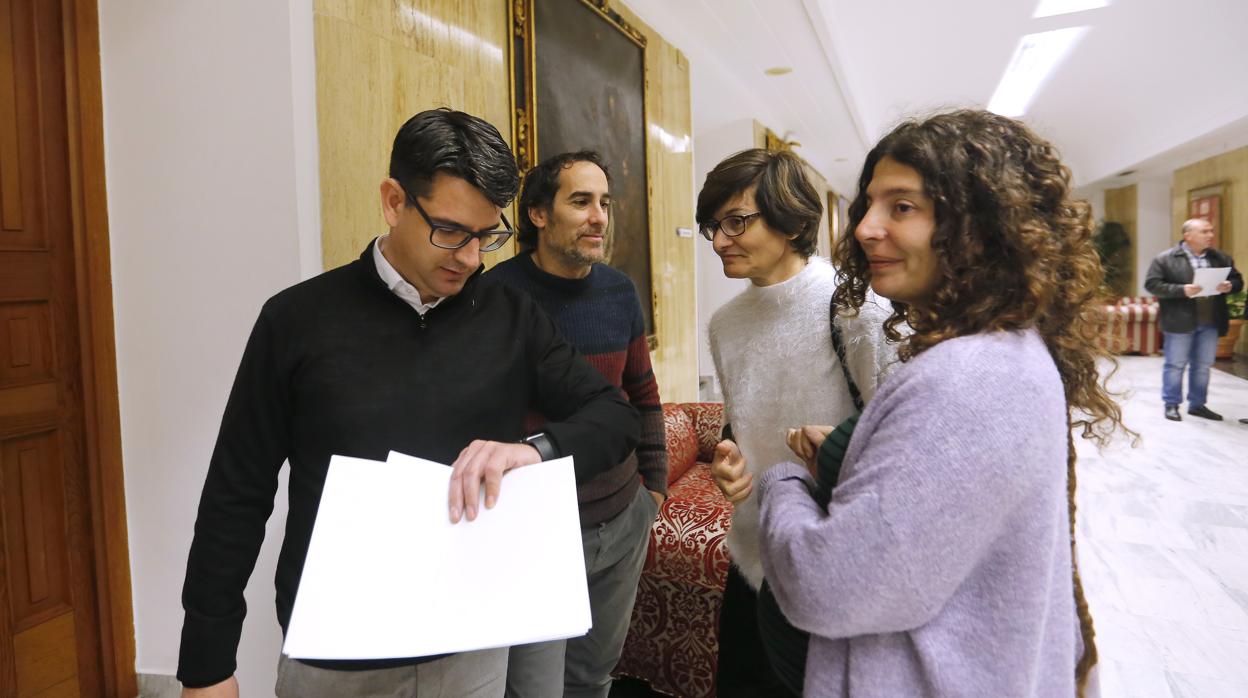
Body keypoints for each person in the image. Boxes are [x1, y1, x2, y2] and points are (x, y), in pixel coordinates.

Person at [177, 109, 640, 698]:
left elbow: (615, 416)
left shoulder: (510, 318)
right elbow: (236, 493)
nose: (471, 258)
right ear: (395, 201)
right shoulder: (296, 320)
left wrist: (536, 451)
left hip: (471, 643)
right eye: (450, 232)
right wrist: (207, 663)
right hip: (337, 653)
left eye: (487, 236)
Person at [756, 109, 1128, 697]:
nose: (865, 228)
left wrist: (780, 485)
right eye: (870, 204)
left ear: (980, 228)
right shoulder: (999, 351)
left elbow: (830, 587)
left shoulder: (967, 378)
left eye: (902, 207)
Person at [697, 148, 894, 697]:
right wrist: (731, 459)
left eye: (737, 221)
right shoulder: (725, 325)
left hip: (832, 563)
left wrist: (835, 450)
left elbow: (898, 443)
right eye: (712, 226)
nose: (718, 241)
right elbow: (739, 424)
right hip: (753, 558)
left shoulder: (855, 309)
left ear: (790, 220)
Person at [485, 151, 666, 698]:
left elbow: (642, 394)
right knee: (531, 688)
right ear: (538, 214)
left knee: (592, 678)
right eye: (581, 201)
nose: (599, 217)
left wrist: (652, 492)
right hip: (536, 527)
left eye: (605, 203)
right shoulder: (496, 298)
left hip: (621, 517)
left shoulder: (619, 291)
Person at [1144, 218, 1243, 421]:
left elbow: (1238, 281)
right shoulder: (1165, 259)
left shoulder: (1221, 257)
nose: (1210, 235)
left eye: (1211, 231)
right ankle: (1171, 404)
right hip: (1179, 321)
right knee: (1175, 364)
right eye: (1205, 231)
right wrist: (1182, 290)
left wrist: (1229, 286)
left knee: (1203, 365)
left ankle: (1198, 405)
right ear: (1188, 236)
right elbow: (1152, 285)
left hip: (1210, 322)